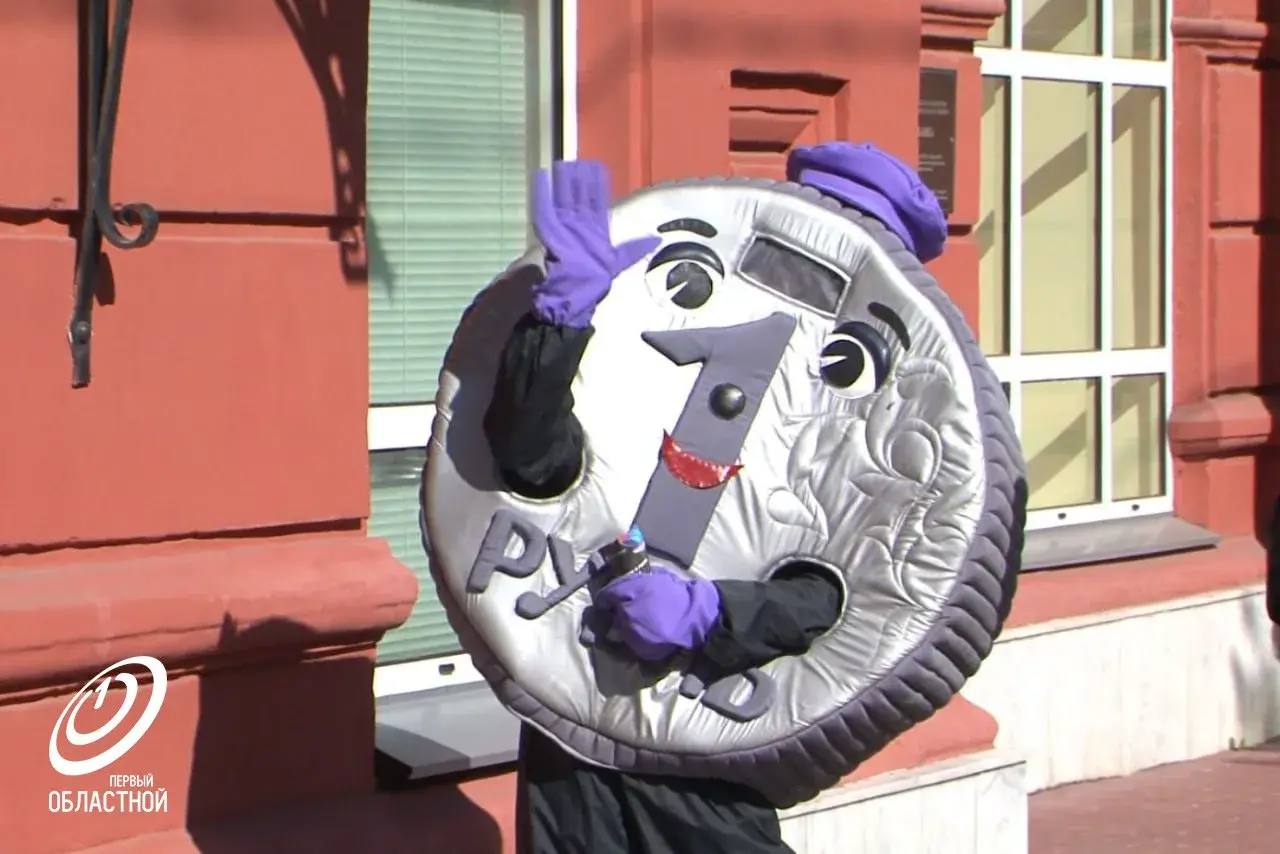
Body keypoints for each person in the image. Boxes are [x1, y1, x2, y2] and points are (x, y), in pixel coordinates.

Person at [481, 142, 949, 854]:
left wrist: (713, 613)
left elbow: (865, 588)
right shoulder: (666, 339)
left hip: (712, 731)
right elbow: (534, 465)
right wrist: (559, 325)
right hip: (578, 709)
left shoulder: (891, 419)